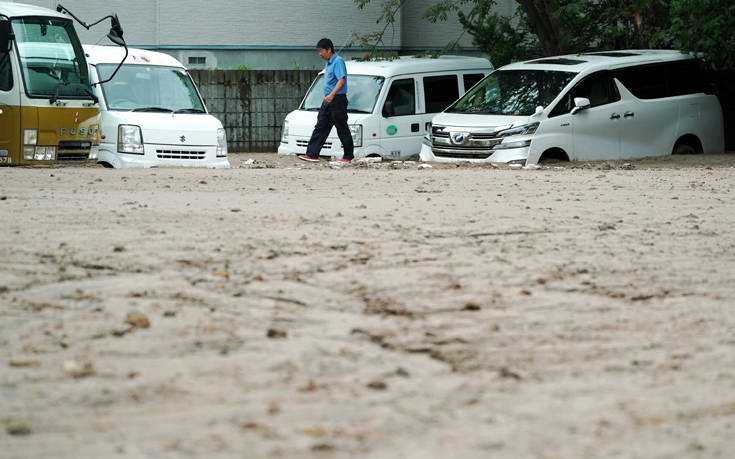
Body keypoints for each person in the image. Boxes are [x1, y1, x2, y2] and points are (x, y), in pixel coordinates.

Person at [298, 38, 354, 163]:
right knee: (321, 125)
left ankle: (348, 156)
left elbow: (342, 80)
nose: (320, 54)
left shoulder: (338, 61)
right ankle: (312, 154)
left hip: (337, 99)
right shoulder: (328, 63)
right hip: (328, 99)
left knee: (341, 127)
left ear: (329, 50)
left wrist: (332, 94)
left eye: (321, 51)